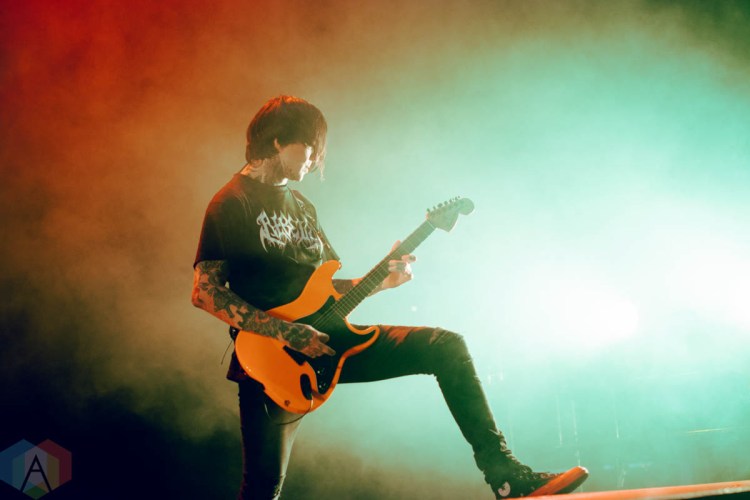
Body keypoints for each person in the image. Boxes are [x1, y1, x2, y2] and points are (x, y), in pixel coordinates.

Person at [191, 95, 589, 499]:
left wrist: (380, 280)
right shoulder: (231, 202)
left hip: (330, 341)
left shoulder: (303, 207)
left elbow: (325, 290)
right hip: (271, 360)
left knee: (445, 346)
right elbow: (205, 292)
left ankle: (507, 478)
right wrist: (286, 332)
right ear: (277, 140)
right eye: (310, 147)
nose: (316, 160)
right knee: (262, 489)